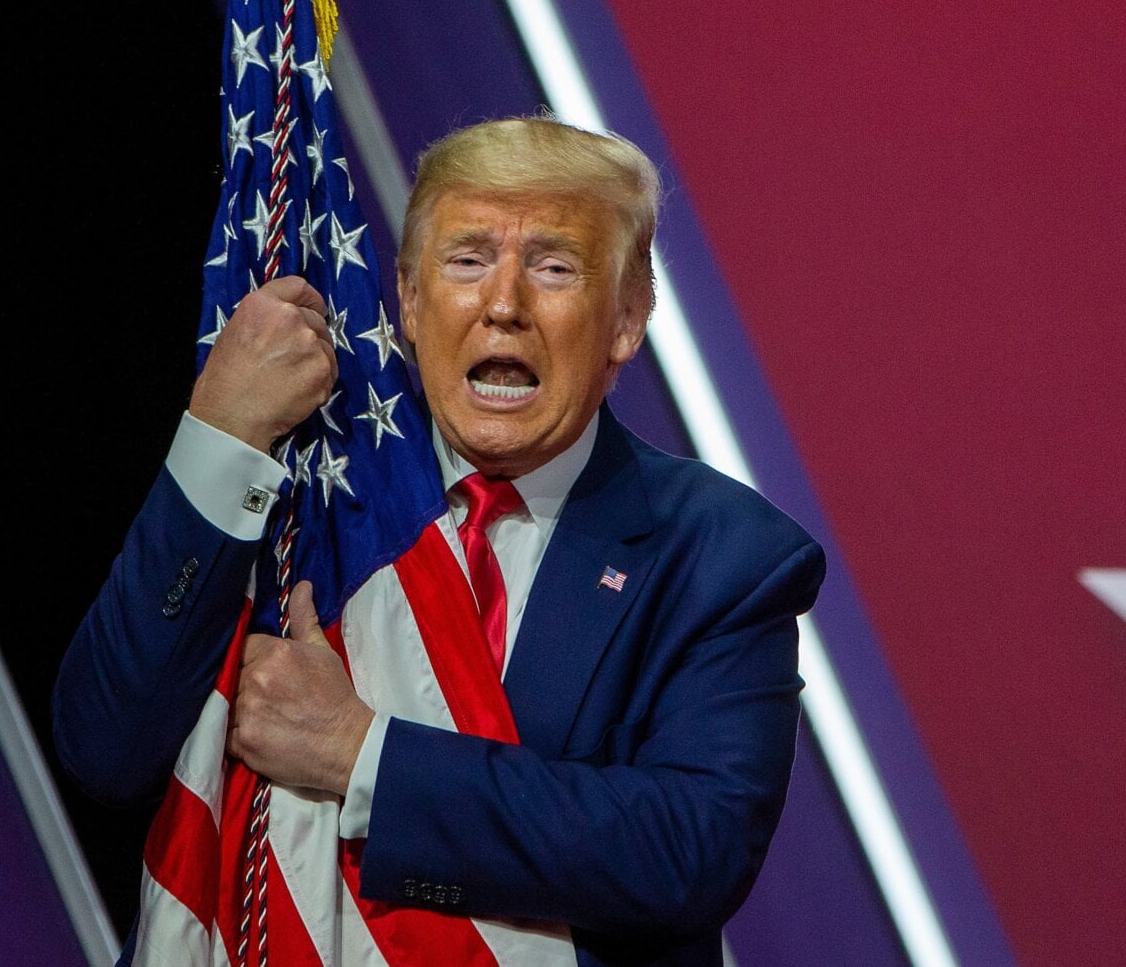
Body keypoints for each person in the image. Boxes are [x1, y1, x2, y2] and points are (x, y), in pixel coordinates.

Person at [54, 117, 825, 965]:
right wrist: (217, 438)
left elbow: (687, 853)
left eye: (555, 266)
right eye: (466, 260)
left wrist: (363, 754)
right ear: (411, 302)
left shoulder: (725, 557)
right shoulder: (297, 495)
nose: (504, 304)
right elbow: (104, 747)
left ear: (628, 318)